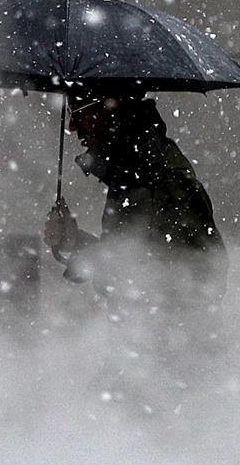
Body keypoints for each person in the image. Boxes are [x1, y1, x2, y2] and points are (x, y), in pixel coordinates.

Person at [43, 94, 227, 317]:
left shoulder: (157, 176)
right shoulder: (132, 172)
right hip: (148, 331)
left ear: (110, 106)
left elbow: (199, 274)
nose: (73, 126)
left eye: (80, 111)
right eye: (71, 112)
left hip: (167, 334)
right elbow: (127, 260)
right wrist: (73, 240)